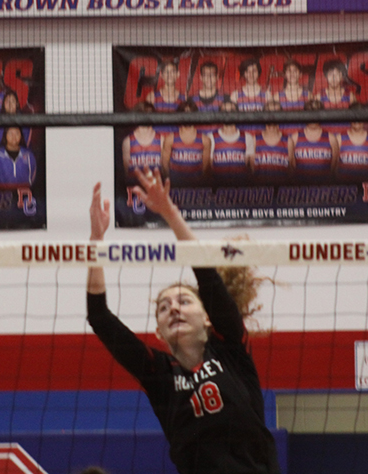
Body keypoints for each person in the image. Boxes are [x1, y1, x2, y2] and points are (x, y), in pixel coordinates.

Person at [87, 170, 280, 474]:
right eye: (164, 308)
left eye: (184, 301)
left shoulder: (231, 350)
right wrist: (96, 242)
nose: (174, 309)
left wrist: (169, 213)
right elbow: (99, 317)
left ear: (207, 317)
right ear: (158, 332)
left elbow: (206, 274)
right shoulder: (160, 375)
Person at [161, 100, 209, 187]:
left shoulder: (205, 140)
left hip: (196, 187)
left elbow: (205, 168)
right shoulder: (170, 139)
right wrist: (170, 182)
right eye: (185, 112)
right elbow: (164, 164)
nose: (188, 116)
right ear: (180, 115)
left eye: (190, 113)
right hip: (175, 186)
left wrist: (199, 184)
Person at [209, 101, 255, 184]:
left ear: (237, 114)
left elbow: (251, 169)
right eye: (225, 111)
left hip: (240, 188)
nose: (228, 114)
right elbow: (209, 169)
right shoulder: (211, 137)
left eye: (232, 111)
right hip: (218, 187)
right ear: (220, 115)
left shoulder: (247, 137)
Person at [335, 110, 368, 182]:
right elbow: (334, 167)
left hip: (365, 189)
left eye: (359, 117)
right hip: (344, 188)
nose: (356, 120)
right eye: (354, 117)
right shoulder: (339, 138)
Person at [253, 102, 291, 185]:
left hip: (281, 187)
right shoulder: (255, 139)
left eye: (275, 112)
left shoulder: (288, 140)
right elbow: (252, 169)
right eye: (269, 111)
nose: (272, 115)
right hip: (260, 187)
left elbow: (291, 168)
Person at [122, 104, 163, 181]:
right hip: (135, 189)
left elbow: (164, 171)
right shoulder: (128, 141)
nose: (146, 117)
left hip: (155, 189)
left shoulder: (161, 140)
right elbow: (127, 173)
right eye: (143, 113)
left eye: (149, 113)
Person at [318, 60, 355, 134]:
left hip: (345, 137)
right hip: (326, 138)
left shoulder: (350, 96)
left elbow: (356, 119)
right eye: (331, 74)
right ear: (326, 76)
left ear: (341, 76)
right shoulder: (319, 97)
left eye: (337, 74)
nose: (334, 77)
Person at [273, 59, 308, 136]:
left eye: (295, 71)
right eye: (289, 71)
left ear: (300, 74)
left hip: (302, 138)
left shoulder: (308, 96)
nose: (292, 74)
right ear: (285, 74)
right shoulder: (277, 97)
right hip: (284, 138)